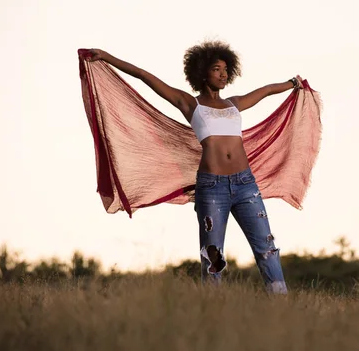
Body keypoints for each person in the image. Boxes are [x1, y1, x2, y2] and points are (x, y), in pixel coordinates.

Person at [85, 40, 304, 294]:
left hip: (246, 185)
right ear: (202, 72)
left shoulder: (234, 103)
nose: (223, 74)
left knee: (267, 247)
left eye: (225, 69)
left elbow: (265, 90)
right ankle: (211, 311)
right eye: (216, 69)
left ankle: (280, 304)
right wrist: (107, 57)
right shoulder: (190, 104)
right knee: (213, 257)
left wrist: (292, 83)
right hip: (212, 188)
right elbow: (145, 77)